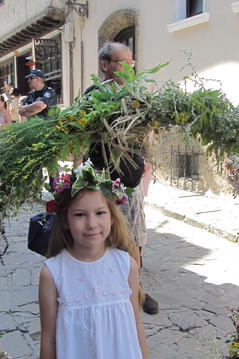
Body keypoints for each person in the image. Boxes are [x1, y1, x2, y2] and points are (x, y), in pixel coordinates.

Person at [37, 163, 151, 359]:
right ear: (64, 220)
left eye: (100, 213)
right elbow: (48, 339)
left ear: (112, 216)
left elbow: (136, 326)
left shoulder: (125, 264)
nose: (91, 224)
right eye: (80, 215)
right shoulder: (53, 272)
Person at [84, 42, 159, 315]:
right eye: (123, 62)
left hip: (130, 179)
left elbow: (140, 133)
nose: (130, 67)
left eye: (132, 62)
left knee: (136, 240)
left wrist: (145, 157)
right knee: (109, 240)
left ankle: (136, 291)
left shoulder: (132, 93)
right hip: (106, 181)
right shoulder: (95, 95)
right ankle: (109, 293)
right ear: (105, 65)